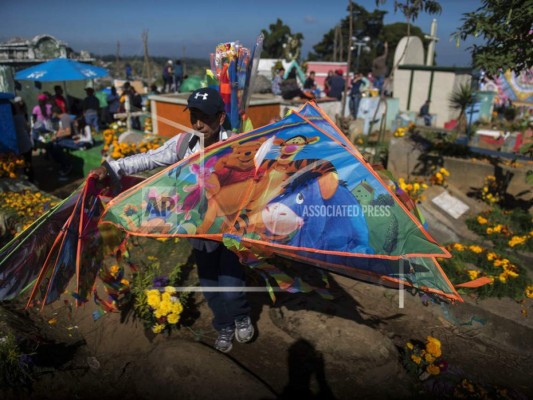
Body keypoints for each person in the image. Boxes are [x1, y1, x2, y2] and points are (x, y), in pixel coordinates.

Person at [90, 88, 255, 353]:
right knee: (210, 281)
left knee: (231, 281)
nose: (198, 123)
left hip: (230, 229)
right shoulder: (183, 145)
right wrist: (112, 168)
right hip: (198, 228)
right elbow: (148, 158)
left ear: (221, 118)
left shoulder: (237, 145)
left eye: (205, 117)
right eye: (193, 116)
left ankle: (240, 316)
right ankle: (223, 325)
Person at [11, 101, 34, 182]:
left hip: (14, 146)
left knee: (18, 165)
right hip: (25, 144)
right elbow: (28, 129)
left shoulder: (6, 121)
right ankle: (31, 180)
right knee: (28, 163)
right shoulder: (20, 117)